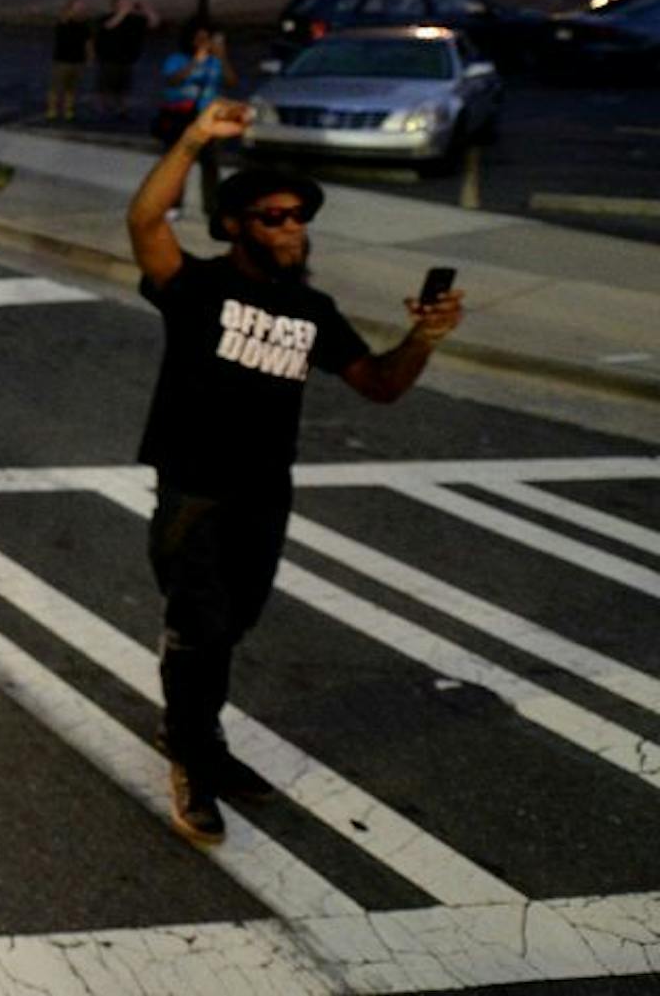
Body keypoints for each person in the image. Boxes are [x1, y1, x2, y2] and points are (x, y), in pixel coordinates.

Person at [124, 102, 464, 846]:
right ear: (237, 225)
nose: (291, 229)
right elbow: (145, 222)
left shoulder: (312, 309)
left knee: (232, 626)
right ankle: (191, 755)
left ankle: (198, 735)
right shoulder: (199, 289)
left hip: (264, 493)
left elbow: (379, 382)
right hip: (195, 488)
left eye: (298, 218)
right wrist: (190, 139)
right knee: (201, 627)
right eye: (273, 217)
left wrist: (425, 336)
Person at [152, 22, 237, 212]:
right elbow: (172, 80)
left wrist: (222, 56)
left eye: (206, 39)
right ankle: (173, 203)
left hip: (206, 118)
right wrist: (195, 61)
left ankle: (212, 206)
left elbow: (231, 81)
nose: (203, 43)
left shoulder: (215, 61)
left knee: (210, 164)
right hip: (180, 116)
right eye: (199, 39)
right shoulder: (177, 59)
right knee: (177, 163)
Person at [93, 0, 158, 118]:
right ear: (115, 6)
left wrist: (147, 10)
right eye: (123, 3)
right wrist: (123, 12)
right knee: (105, 85)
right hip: (109, 58)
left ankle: (122, 108)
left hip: (128, 59)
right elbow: (109, 26)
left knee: (124, 86)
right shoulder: (105, 17)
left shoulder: (136, 20)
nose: (127, 5)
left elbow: (154, 23)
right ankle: (101, 106)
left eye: (128, 3)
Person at [47, 0, 97, 121]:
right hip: (62, 61)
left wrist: (90, 58)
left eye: (82, 8)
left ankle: (68, 110)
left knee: (72, 88)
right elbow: (63, 16)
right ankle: (52, 110)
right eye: (78, 8)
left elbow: (89, 43)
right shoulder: (63, 21)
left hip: (78, 61)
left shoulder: (86, 25)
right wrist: (71, 7)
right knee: (56, 87)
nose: (81, 10)